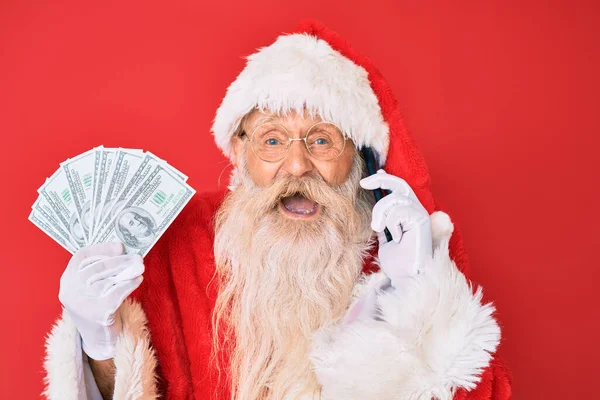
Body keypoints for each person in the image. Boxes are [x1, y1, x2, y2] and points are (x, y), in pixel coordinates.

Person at [42, 20, 512, 400]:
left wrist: (419, 295)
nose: (296, 164)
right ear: (240, 153)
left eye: (322, 140)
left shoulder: (399, 246)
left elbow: (483, 391)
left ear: (360, 157)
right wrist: (98, 344)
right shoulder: (177, 241)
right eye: (272, 140)